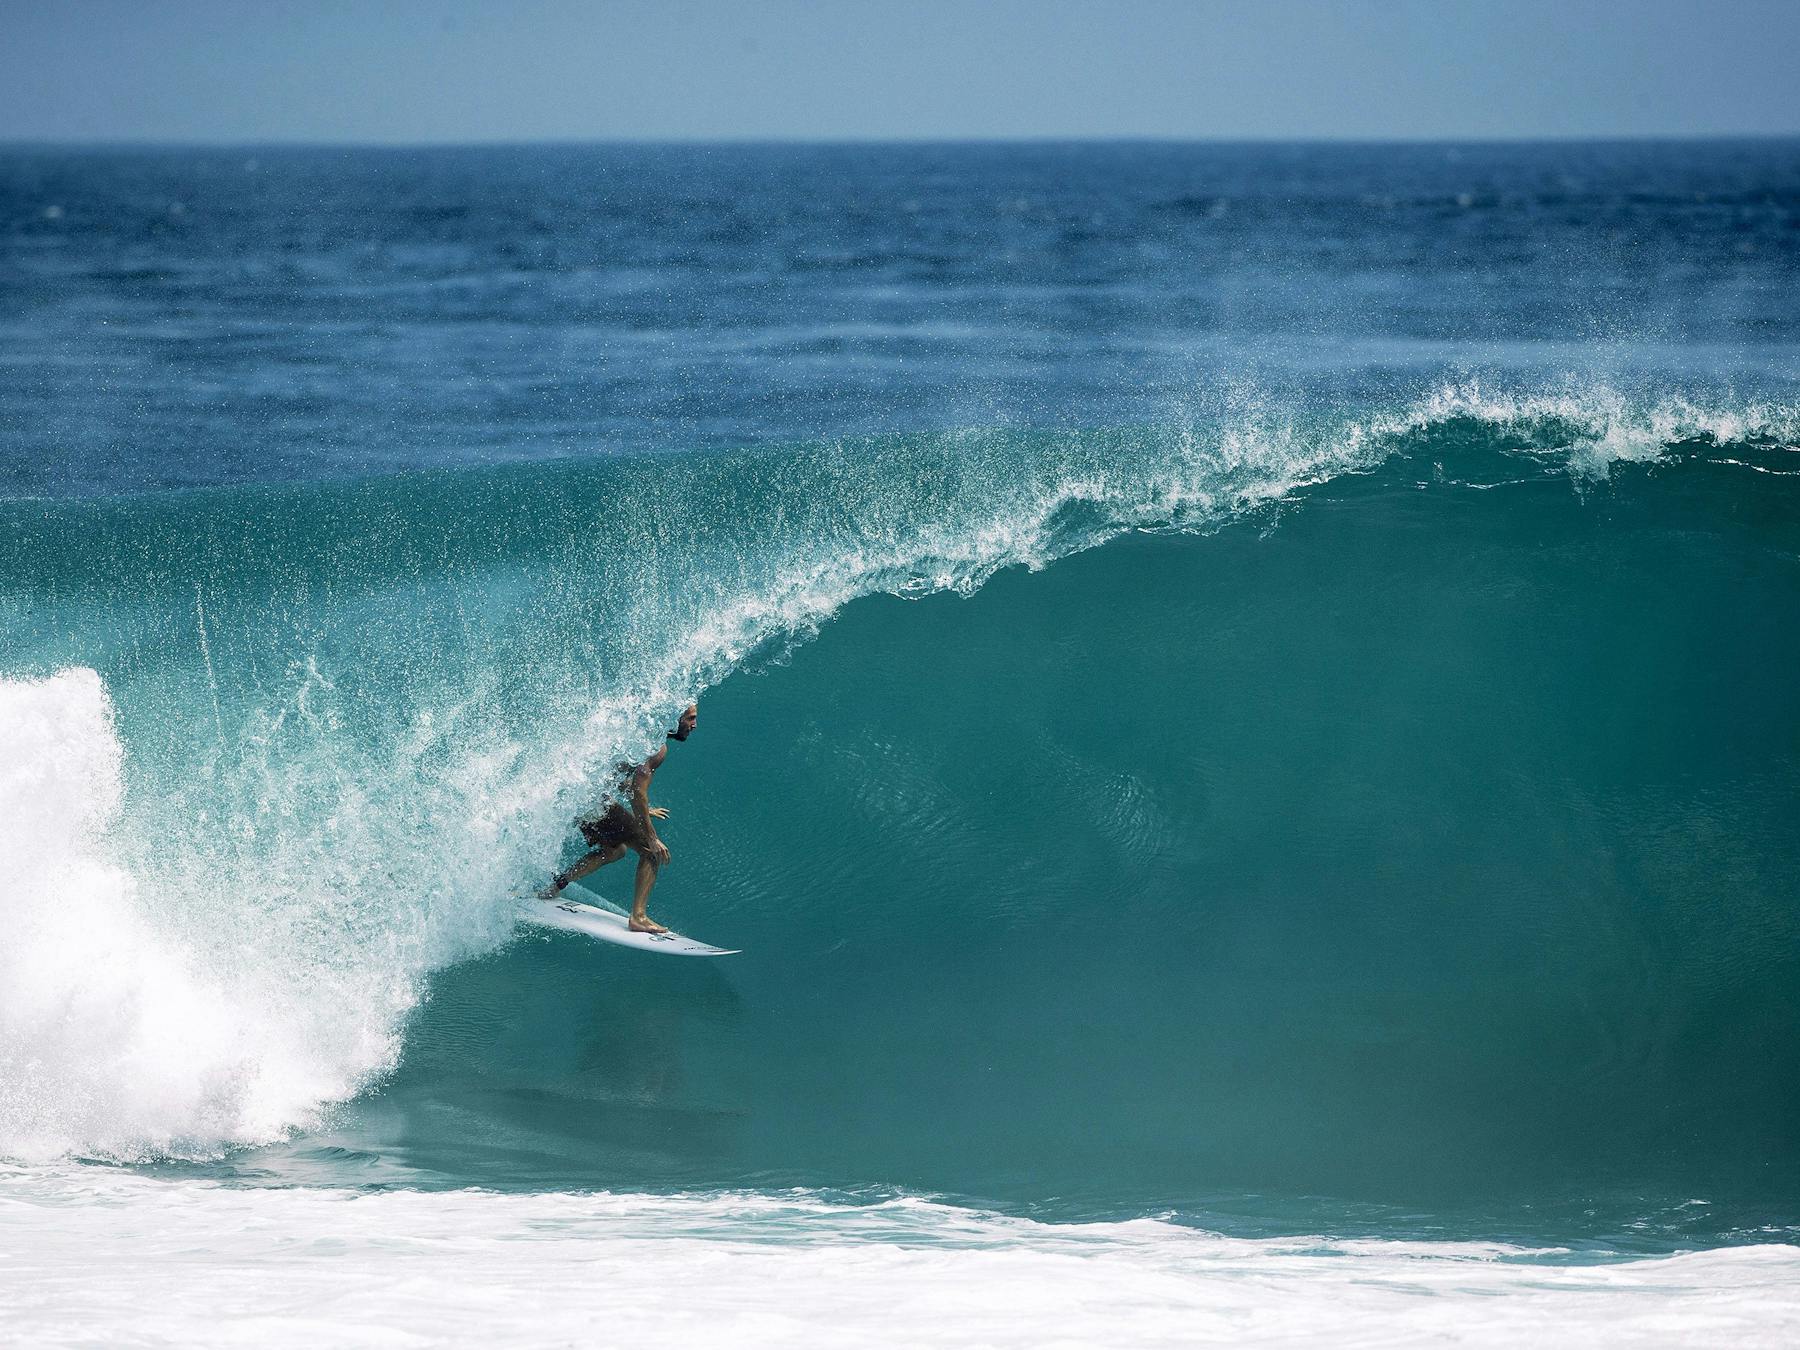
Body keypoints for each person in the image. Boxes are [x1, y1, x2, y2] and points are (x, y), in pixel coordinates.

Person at [545, 702, 698, 933]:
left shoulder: (640, 733)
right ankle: (638, 917)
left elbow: (617, 774)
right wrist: (652, 836)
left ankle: (554, 888)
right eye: (690, 719)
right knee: (650, 850)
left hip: (574, 796)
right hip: (590, 799)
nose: (694, 725)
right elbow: (638, 791)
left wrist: (644, 810)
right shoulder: (658, 748)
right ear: (675, 718)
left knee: (614, 850)